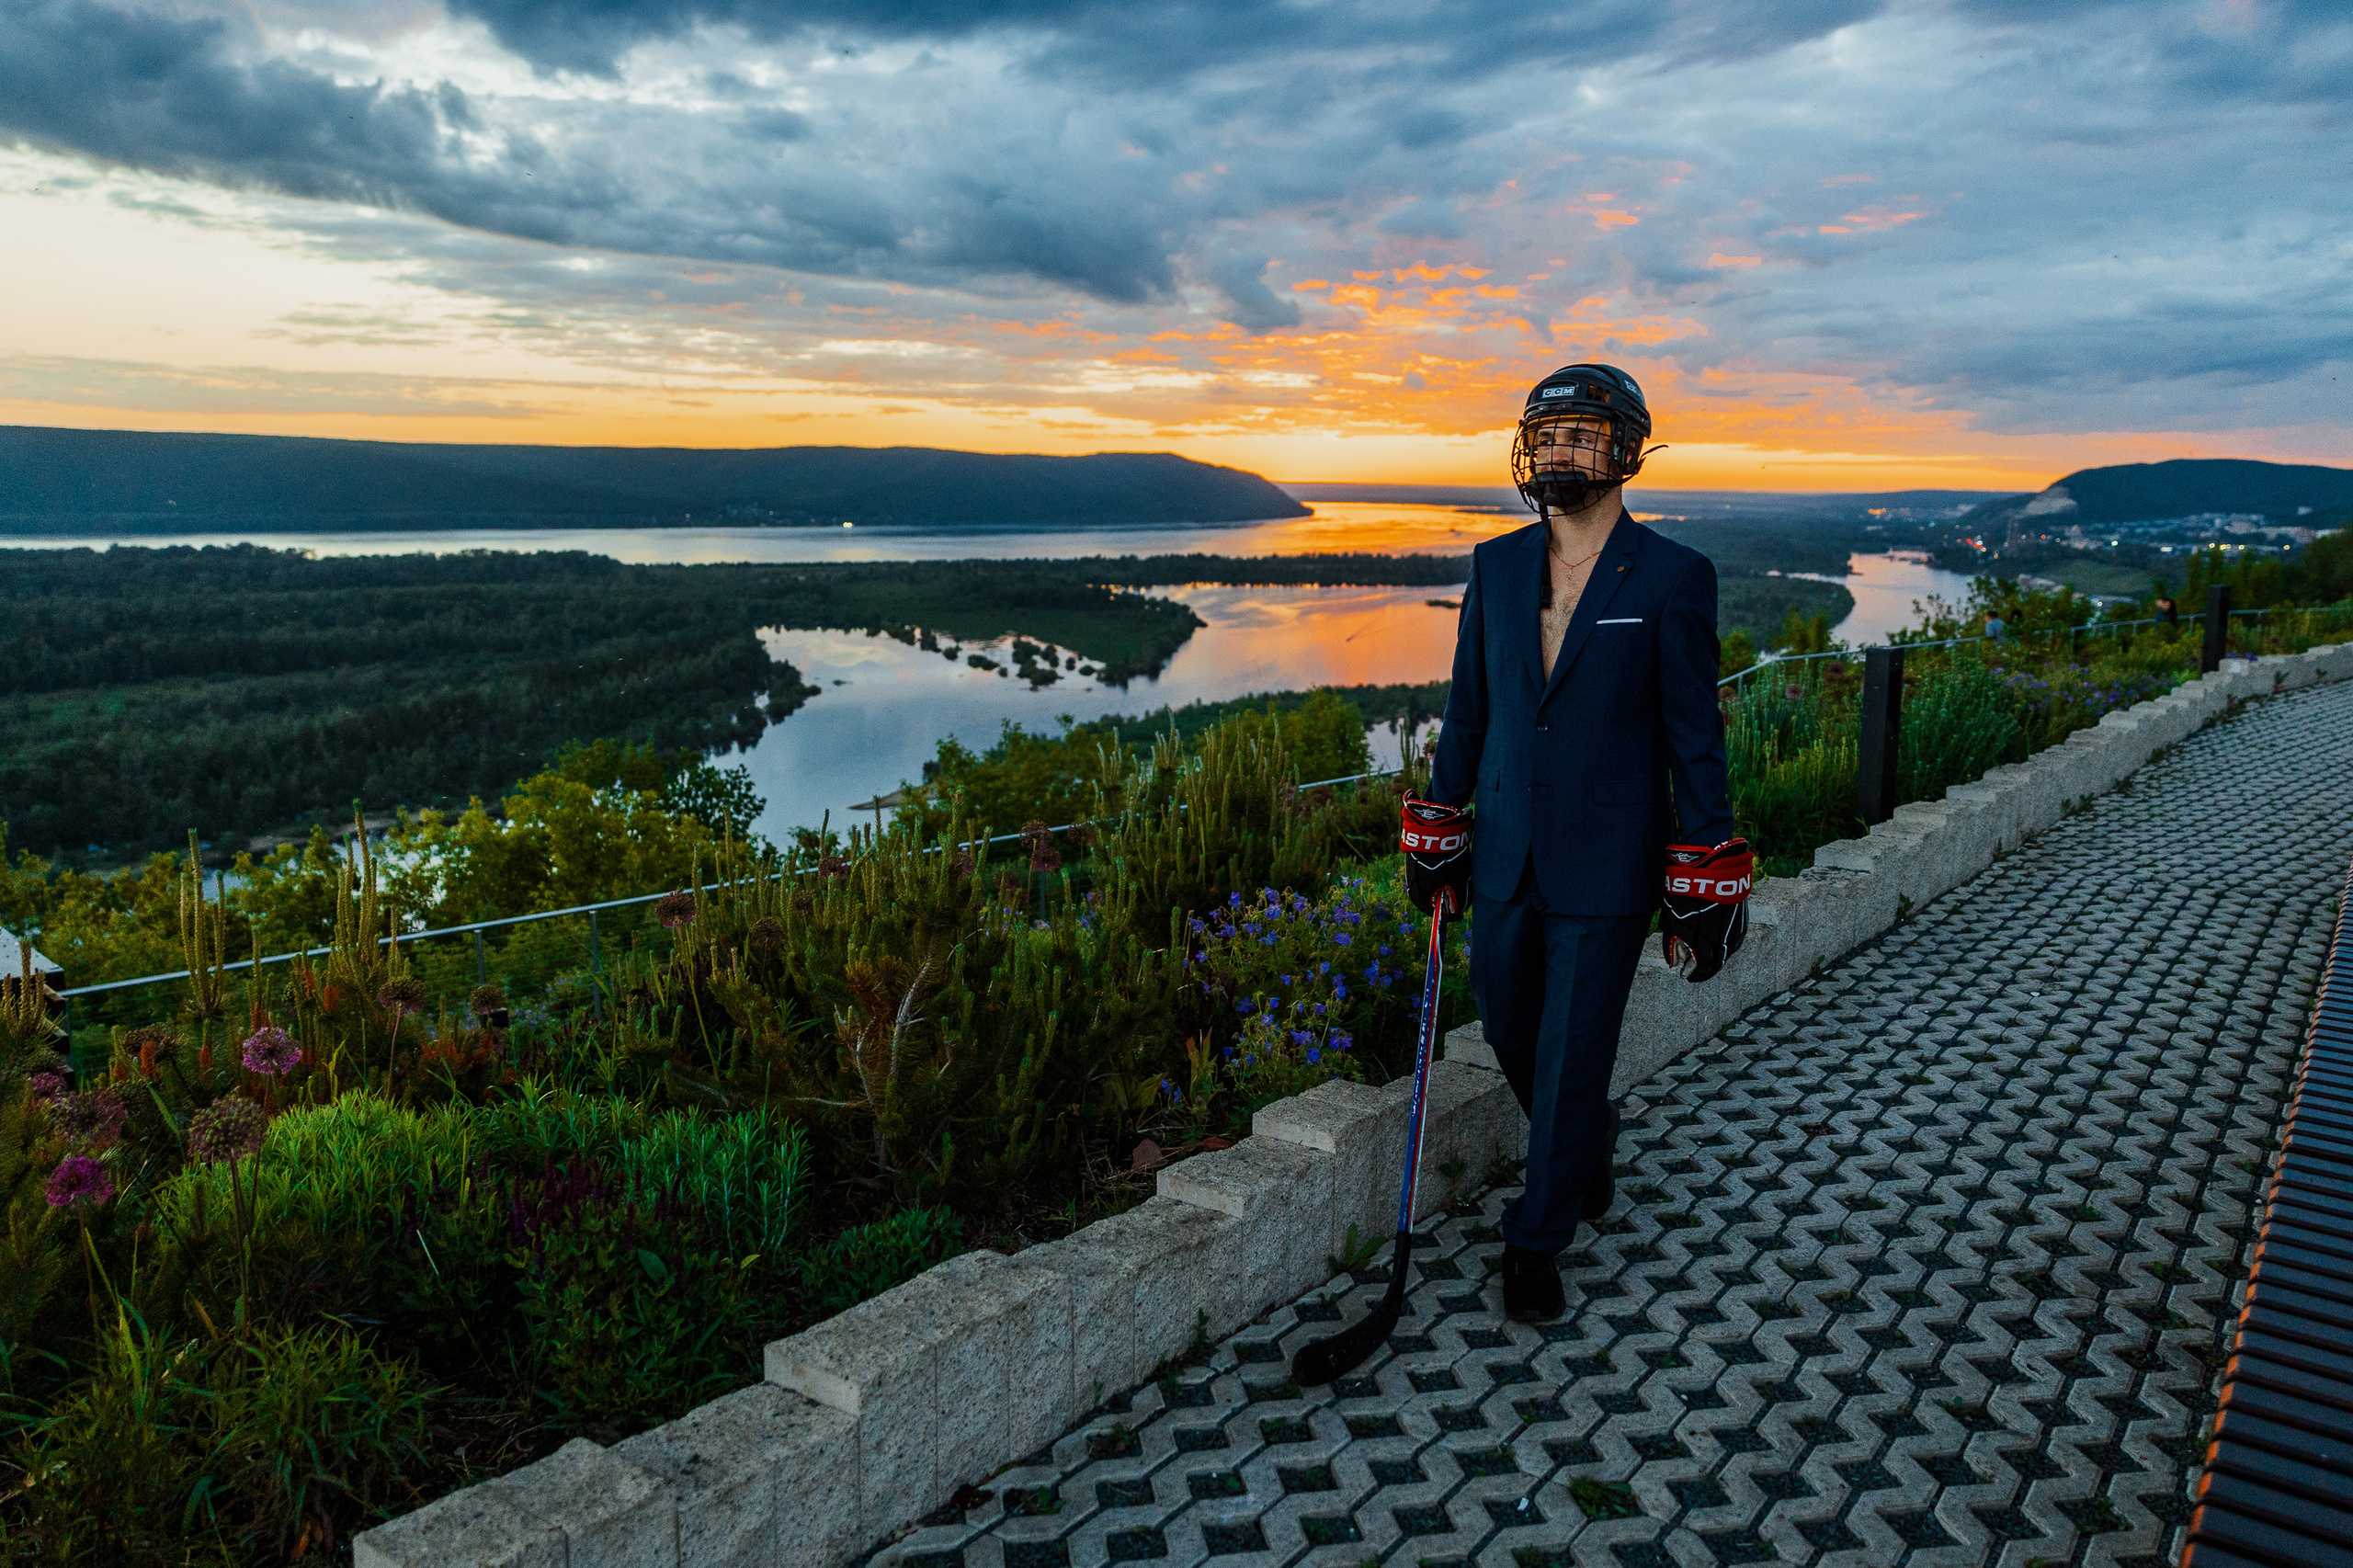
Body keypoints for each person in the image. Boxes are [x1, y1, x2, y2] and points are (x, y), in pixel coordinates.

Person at [1398, 365, 1749, 1324]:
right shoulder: (1495, 564)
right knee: (1511, 1027)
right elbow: (1468, 712)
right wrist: (1439, 823)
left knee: (1569, 1052)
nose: (1557, 449)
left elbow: (1693, 739)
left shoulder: (1675, 577)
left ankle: (1536, 1236)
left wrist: (1708, 869)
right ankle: (1584, 1143)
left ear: (1625, 447)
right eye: (1544, 434)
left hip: (1607, 859)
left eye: (1580, 433)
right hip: (1506, 848)